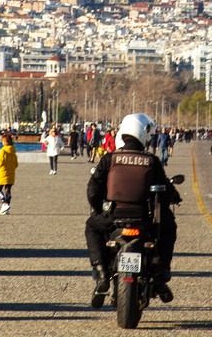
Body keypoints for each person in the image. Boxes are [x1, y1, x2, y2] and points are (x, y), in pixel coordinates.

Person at [85, 113, 181, 307]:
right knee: (168, 228)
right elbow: (165, 191)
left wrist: (99, 210)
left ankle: (102, 271)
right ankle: (161, 273)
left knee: (92, 226)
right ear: (142, 134)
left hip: (113, 219)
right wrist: (174, 198)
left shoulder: (109, 159)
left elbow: (93, 189)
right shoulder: (151, 161)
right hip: (144, 220)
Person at [0, 132, 18, 214]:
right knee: (8, 190)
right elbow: (16, 163)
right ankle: (6, 208)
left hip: (2, 173)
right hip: (11, 173)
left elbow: (0, 162)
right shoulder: (13, 150)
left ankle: (4, 203)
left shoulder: (3, 150)